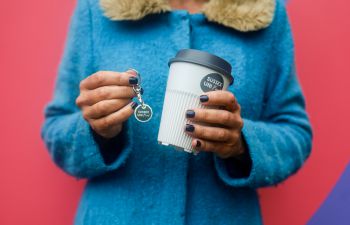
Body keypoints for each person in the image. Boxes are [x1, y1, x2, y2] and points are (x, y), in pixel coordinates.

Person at [41, 0, 312, 224]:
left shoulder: (266, 12)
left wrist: (240, 143)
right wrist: (98, 130)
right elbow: (57, 130)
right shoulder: (96, 9)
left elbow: (294, 132)